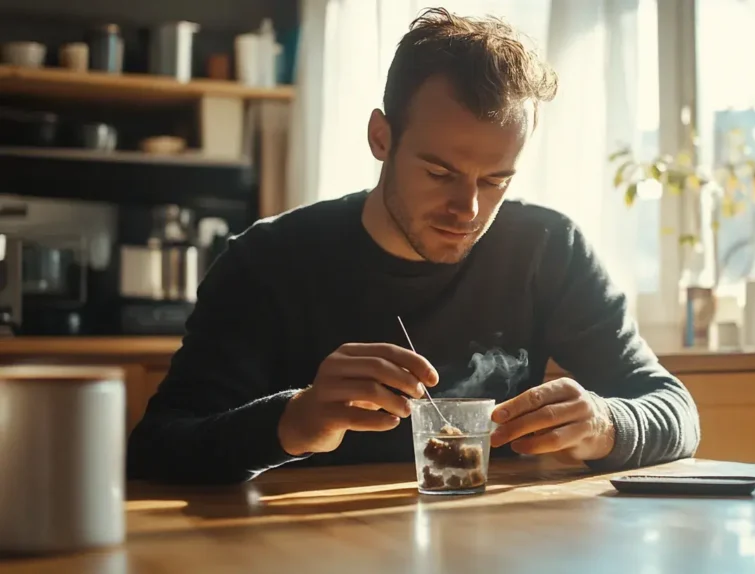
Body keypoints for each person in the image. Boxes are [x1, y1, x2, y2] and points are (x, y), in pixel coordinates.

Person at [127, 7, 700, 485]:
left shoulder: (547, 248)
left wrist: (604, 423)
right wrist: (292, 420)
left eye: (496, 180)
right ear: (382, 137)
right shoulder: (267, 261)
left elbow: (674, 410)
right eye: (439, 172)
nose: (468, 209)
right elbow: (155, 449)